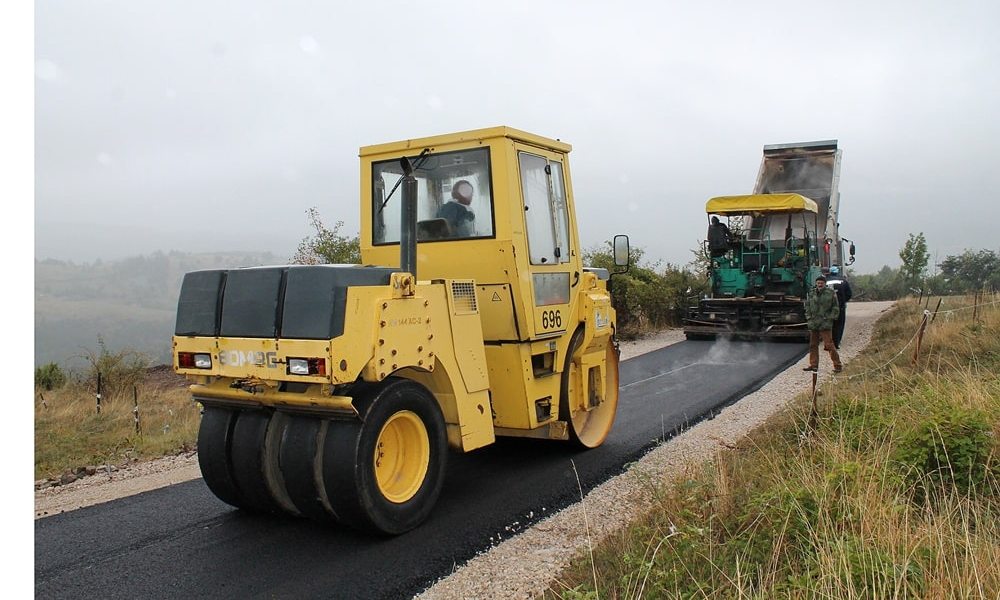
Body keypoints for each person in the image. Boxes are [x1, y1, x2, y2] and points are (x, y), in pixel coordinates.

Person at [803, 275, 843, 373]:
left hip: (825, 323)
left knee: (829, 345)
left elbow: (835, 308)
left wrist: (830, 318)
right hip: (814, 323)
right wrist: (808, 317)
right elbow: (807, 306)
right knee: (813, 345)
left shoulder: (831, 293)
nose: (820, 284)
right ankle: (813, 365)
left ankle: (838, 365)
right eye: (818, 283)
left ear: (825, 284)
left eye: (821, 283)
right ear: (816, 283)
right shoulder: (811, 293)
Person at [825, 265, 853, 348]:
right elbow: (849, 294)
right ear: (838, 272)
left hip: (828, 307)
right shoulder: (843, 281)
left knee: (829, 325)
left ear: (830, 272)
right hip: (840, 307)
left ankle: (828, 343)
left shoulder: (825, 281)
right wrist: (843, 301)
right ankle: (836, 343)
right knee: (839, 324)